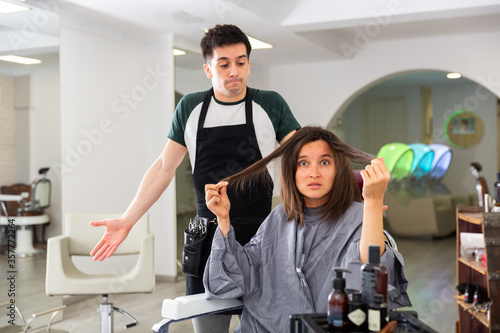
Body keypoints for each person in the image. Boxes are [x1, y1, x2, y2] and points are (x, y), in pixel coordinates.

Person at [89, 24, 300, 333]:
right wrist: (127, 220)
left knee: (264, 326)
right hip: (207, 242)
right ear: (207, 69)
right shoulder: (190, 107)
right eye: (223, 64)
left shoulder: (270, 104)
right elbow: (164, 167)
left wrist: (347, 202)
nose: (234, 71)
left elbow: (303, 161)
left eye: (241, 62)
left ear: (249, 64)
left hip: (261, 239)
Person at [204, 126, 412, 333]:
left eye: (324, 162)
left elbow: (370, 277)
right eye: (303, 163)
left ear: (338, 169)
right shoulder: (278, 217)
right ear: (291, 172)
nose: (314, 173)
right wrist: (223, 219)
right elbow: (245, 272)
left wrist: (373, 202)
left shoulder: (358, 215)